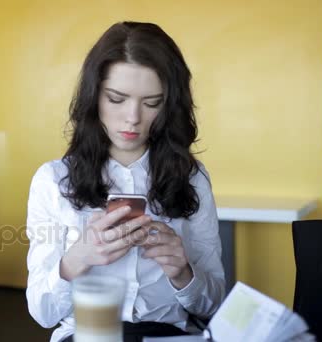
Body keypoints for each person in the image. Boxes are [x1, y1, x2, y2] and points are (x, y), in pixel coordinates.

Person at [25, 21, 225, 342]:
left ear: (169, 105)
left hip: (166, 333)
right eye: (117, 99)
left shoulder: (192, 177)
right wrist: (78, 257)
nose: (133, 117)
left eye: (152, 103)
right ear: (94, 97)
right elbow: (43, 313)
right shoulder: (53, 180)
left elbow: (211, 304)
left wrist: (182, 273)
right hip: (84, 333)